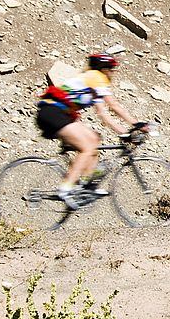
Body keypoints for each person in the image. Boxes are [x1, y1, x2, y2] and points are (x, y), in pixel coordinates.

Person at [35, 53, 147, 210]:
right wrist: (133, 126)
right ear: (104, 69)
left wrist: (126, 131)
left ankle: (86, 187)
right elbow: (112, 107)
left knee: (95, 139)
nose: (112, 73)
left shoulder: (92, 80)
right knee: (86, 148)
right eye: (111, 70)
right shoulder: (96, 76)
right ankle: (65, 188)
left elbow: (102, 113)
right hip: (52, 113)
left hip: (58, 113)